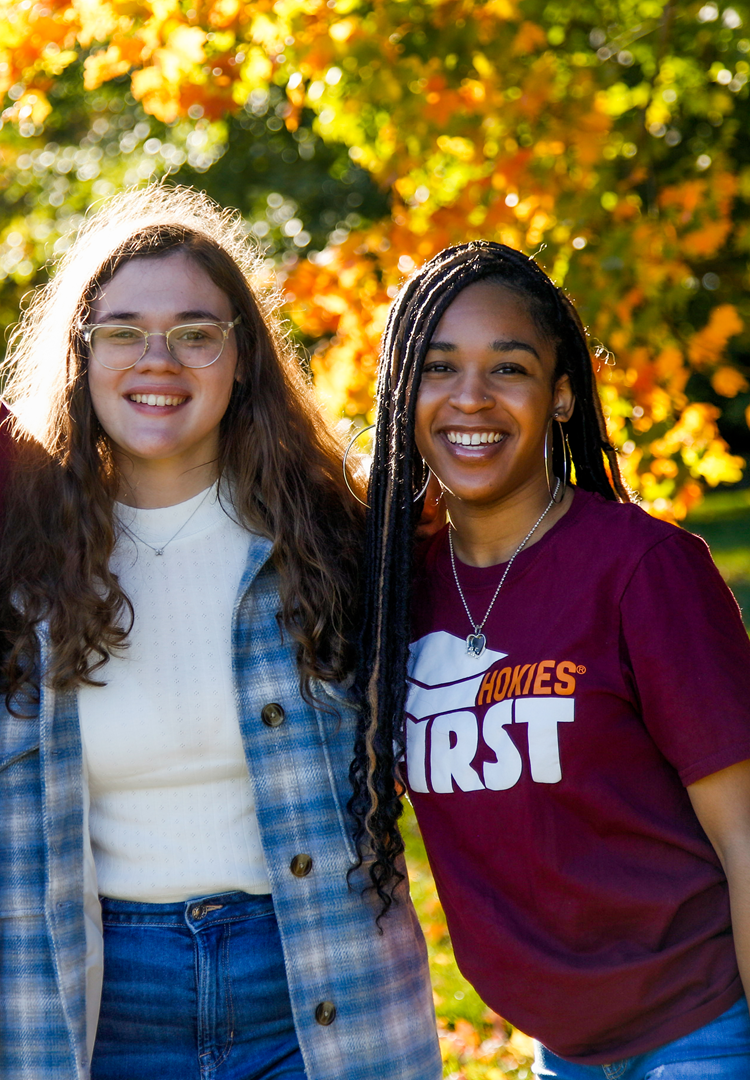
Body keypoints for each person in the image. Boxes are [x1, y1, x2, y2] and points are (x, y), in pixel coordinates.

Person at [0, 185, 441, 1080]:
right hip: (99, 1008)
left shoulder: (340, 533)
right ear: (83, 356)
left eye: (195, 332)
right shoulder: (22, 558)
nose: (156, 359)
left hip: (318, 984)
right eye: (122, 331)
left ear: (243, 357)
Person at [352, 240, 750, 1078]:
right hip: (560, 1051)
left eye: (509, 369)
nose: (471, 398)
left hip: (699, 1031)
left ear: (561, 394)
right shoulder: (393, 585)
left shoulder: (642, 570)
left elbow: (746, 836)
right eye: (438, 367)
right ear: (402, 395)